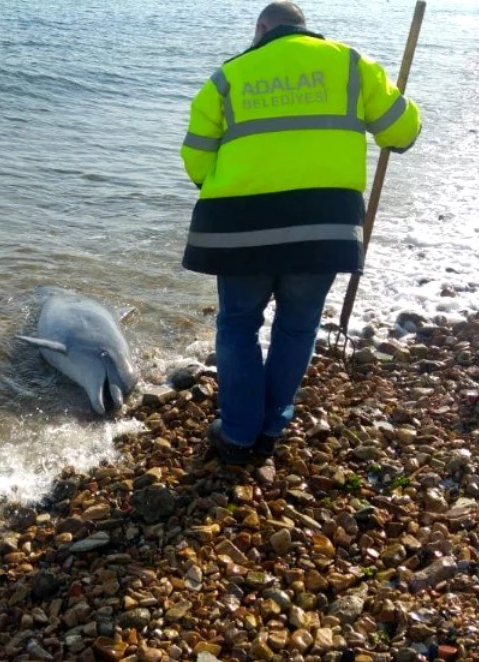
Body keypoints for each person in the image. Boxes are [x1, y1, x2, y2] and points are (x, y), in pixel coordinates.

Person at [180, 1, 421, 465]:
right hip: (323, 227)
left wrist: (230, 184)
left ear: (261, 28)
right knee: (296, 326)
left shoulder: (228, 77)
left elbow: (194, 159)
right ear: (303, 28)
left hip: (241, 229)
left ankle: (237, 434)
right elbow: (402, 132)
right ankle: (270, 428)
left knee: (237, 326)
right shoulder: (352, 64)